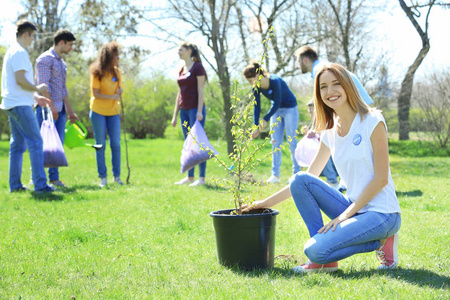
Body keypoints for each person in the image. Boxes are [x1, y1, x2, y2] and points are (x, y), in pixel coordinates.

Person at [244, 63, 400, 273]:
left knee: (314, 250)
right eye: (323, 87)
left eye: (336, 84)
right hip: (355, 207)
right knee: (300, 179)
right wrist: (264, 203)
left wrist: (345, 216)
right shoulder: (330, 130)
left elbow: (381, 178)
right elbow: (307, 180)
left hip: (383, 213)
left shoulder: (372, 120)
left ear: (348, 86)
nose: (330, 91)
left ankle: (380, 241)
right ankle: (324, 261)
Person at [0, 19, 56, 193]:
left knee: (17, 146)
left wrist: (36, 97)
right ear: (26, 34)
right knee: (36, 141)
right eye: (32, 36)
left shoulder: (12, 51)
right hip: (19, 105)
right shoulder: (19, 52)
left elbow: (17, 83)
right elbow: (20, 80)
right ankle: (41, 185)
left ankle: (15, 186)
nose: (32, 40)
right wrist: (38, 88)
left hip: (12, 103)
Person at [34, 29, 80, 188]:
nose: (71, 48)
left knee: (56, 146)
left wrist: (70, 111)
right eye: (70, 44)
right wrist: (51, 107)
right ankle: (37, 179)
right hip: (45, 109)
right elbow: (43, 87)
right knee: (42, 145)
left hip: (59, 109)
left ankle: (54, 179)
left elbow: (63, 89)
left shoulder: (62, 63)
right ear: (61, 42)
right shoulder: (44, 60)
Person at [243, 61, 300, 184]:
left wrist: (265, 119)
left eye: (251, 80)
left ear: (258, 76)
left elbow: (278, 101)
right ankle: (275, 176)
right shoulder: (256, 88)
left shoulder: (275, 81)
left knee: (291, 140)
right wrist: (255, 126)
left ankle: (296, 174)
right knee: (275, 142)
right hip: (276, 110)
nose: (251, 83)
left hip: (290, 108)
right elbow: (256, 107)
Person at [171, 41, 207, 187]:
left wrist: (199, 111)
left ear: (189, 51)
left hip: (195, 110)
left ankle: (202, 179)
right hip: (184, 110)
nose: (178, 52)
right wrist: (175, 115)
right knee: (188, 144)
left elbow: (201, 90)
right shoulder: (181, 69)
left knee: (198, 143)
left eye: (181, 50)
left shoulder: (198, 68)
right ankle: (190, 177)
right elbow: (179, 94)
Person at [89, 41, 123, 188]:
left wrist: (119, 92)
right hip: (98, 111)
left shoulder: (117, 72)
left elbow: (119, 88)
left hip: (113, 112)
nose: (118, 59)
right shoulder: (97, 72)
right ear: (108, 57)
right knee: (100, 144)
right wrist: (110, 97)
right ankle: (103, 177)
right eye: (116, 56)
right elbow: (95, 93)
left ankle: (117, 176)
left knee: (115, 144)